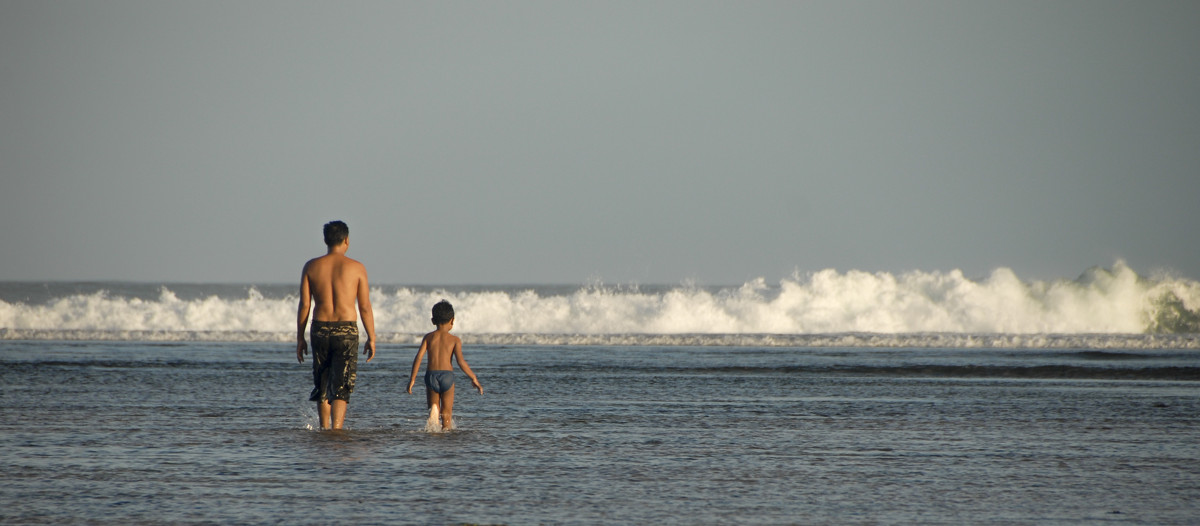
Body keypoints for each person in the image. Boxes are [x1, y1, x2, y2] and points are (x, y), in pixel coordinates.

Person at [296, 220, 377, 430]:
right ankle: (337, 429)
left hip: (320, 328)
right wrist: (372, 336)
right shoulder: (357, 268)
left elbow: (305, 305)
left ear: (325, 240)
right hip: (346, 330)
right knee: (342, 383)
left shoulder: (311, 266)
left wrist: (300, 337)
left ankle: (324, 427)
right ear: (346, 240)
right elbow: (365, 307)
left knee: (322, 380)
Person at [407, 300, 482, 431]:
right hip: (447, 377)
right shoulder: (455, 340)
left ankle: (434, 413)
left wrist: (412, 379)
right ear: (452, 321)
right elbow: (461, 362)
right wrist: (473, 378)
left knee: (433, 407)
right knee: (446, 414)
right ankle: (446, 431)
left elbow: (418, 357)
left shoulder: (428, 337)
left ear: (433, 321)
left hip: (431, 376)